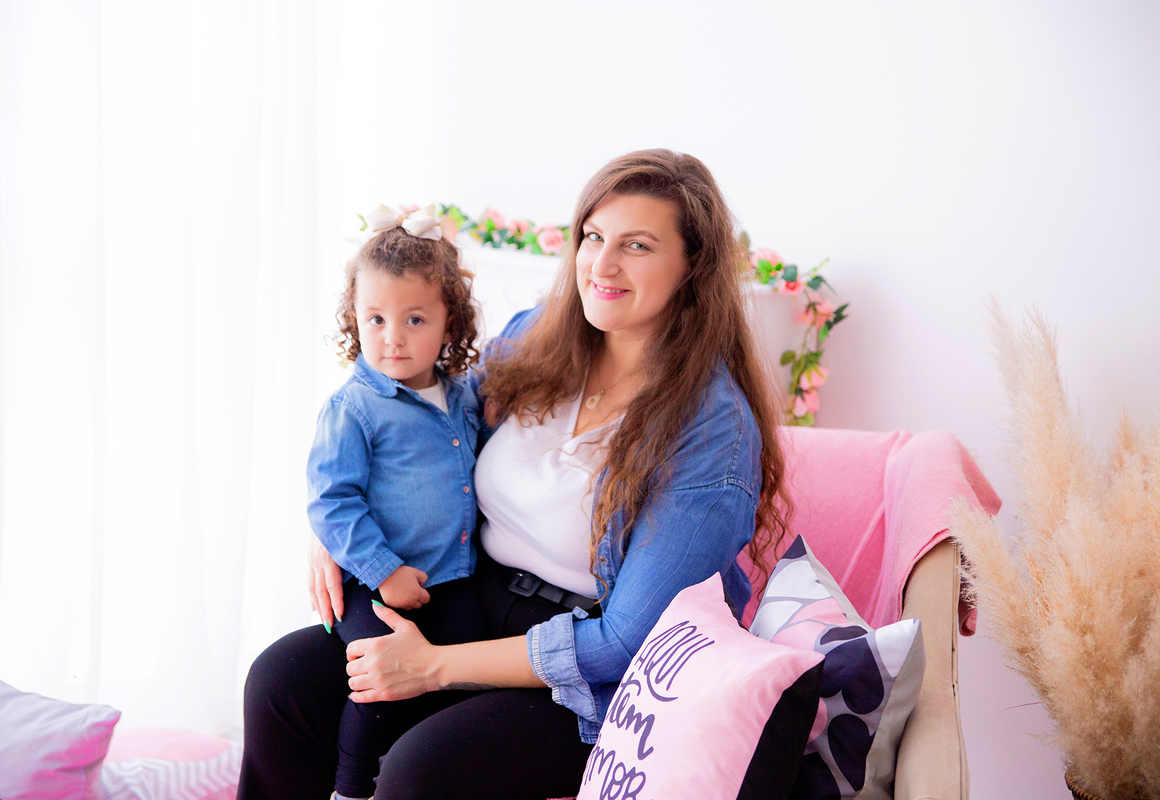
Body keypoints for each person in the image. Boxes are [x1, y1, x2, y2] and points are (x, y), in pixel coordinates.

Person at [238, 150, 790, 800]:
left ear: (692, 264)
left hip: (584, 673)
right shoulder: (538, 338)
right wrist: (331, 529)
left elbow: (626, 640)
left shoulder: (709, 432)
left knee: (420, 770)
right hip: (467, 598)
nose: (602, 266)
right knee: (280, 684)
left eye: (636, 246)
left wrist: (435, 667)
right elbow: (420, 435)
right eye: (592, 237)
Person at [305, 206, 484, 800]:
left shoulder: (461, 397)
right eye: (375, 319)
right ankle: (351, 788)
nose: (393, 337)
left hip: (452, 579)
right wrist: (385, 573)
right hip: (374, 581)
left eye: (414, 319)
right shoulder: (354, 408)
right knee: (377, 682)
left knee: (457, 688)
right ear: (354, 319)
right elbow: (332, 502)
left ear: (448, 323)